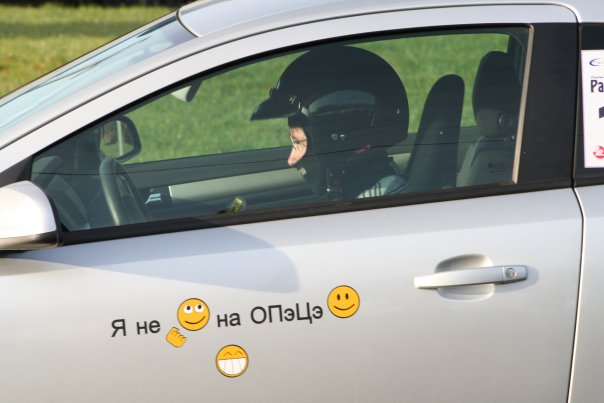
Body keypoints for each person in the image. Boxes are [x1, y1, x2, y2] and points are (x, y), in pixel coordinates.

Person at [251, 45, 409, 200]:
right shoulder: (368, 200)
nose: (291, 160)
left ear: (342, 140)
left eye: (298, 143)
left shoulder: (377, 208)